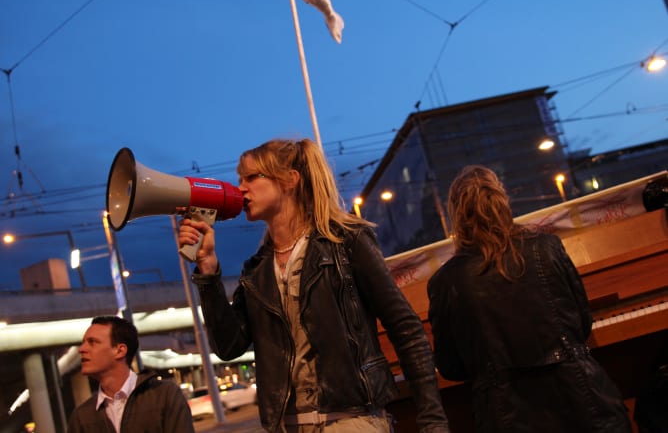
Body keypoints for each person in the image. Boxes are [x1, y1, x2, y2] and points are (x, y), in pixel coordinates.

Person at [179, 138, 450, 433]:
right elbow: (229, 346)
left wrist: (432, 420)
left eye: (251, 177)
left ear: (289, 180)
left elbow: (405, 329)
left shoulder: (345, 242)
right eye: (239, 179)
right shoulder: (257, 270)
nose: (240, 188)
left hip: (350, 421)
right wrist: (207, 271)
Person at [427, 165, 632, 433]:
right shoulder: (547, 248)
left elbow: (450, 367)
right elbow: (582, 324)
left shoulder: (445, 281)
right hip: (585, 406)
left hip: (505, 417)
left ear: (456, 216)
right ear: (502, 202)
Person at [67, 316, 195, 433]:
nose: (81, 349)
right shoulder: (81, 417)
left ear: (120, 350)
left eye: (92, 342)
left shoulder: (164, 395)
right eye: (83, 342)